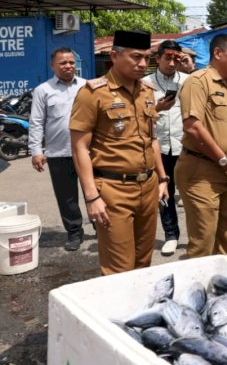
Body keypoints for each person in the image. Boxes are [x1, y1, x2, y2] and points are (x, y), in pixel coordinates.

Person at [69, 31, 169, 275]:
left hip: (148, 186)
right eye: (136, 57)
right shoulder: (93, 93)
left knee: (144, 262)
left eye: (146, 58)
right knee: (119, 268)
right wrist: (92, 197)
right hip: (114, 190)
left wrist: (163, 178)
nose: (143, 64)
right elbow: (79, 147)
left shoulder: (147, 91)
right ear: (114, 56)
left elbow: (152, 139)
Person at [175, 33, 227, 258]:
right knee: (203, 244)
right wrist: (223, 160)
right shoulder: (197, 82)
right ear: (218, 53)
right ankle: (197, 289)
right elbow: (193, 126)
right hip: (202, 173)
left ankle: (219, 289)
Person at [29, 47, 87, 251]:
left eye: (71, 62)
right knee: (67, 197)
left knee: (95, 191)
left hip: (88, 152)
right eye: (63, 63)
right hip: (58, 152)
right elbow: (36, 122)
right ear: (52, 65)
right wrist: (36, 150)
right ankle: (74, 232)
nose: (68, 66)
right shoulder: (43, 90)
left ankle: (102, 226)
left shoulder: (86, 86)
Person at [143, 40, 189, 256]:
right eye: (168, 58)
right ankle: (171, 234)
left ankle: (198, 235)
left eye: (176, 59)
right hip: (159, 148)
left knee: (192, 193)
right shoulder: (145, 84)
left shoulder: (188, 81)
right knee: (165, 193)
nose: (172, 63)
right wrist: (157, 108)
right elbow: (140, 117)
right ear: (158, 58)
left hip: (185, 146)